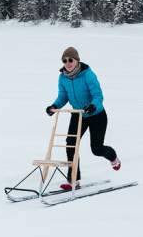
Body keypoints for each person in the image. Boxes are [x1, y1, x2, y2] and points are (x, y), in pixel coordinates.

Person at [46, 46, 121, 189]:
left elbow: (98, 95)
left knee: (97, 149)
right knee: (70, 144)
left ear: (77, 60)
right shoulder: (62, 77)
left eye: (70, 60)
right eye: (64, 60)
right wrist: (54, 106)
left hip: (96, 115)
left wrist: (93, 105)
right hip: (78, 114)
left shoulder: (88, 74)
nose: (67, 63)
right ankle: (74, 180)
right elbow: (63, 96)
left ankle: (113, 157)